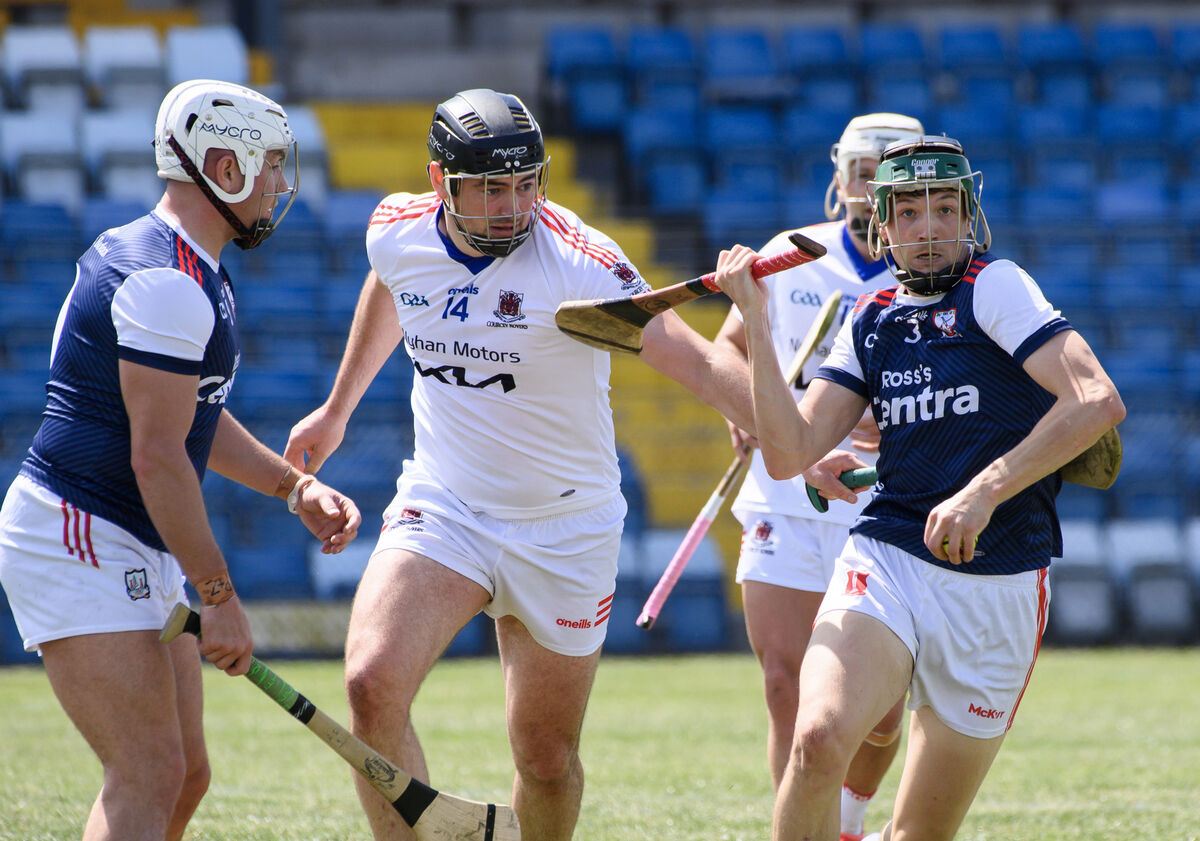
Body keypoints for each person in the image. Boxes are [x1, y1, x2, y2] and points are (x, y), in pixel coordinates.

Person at [283, 88, 757, 841]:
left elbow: (695, 360)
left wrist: (791, 438)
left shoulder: (580, 261)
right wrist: (337, 409)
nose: (514, 207)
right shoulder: (396, 229)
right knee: (371, 685)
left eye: (527, 184)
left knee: (544, 758)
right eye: (491, 189)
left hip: (565, 529)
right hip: (447, 504)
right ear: (441, 182)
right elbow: (392, 283)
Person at [714, 135, 1124, 841]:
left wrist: (984, 490)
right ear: (884, 226)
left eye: (943, 209)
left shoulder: (995, 287)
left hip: (999, 580)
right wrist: (755, 317)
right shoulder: (871, 316)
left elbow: (1095, 400)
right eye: (908, 212)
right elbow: (789, 453)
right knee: (816, 740)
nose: (928, 228)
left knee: (918, 834)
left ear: (969, 216)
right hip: (890, 556)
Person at [0, 79, 362, 841]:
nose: (278, 183)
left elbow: (190, 414)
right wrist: (219, 592)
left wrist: (292, 486)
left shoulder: (183, 263)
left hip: (124, 534)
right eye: (269, 163)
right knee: (147, 771)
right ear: (225, 168)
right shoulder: (168, 283)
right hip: (80, 532)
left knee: (185, 773)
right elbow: (159, 455)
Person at [712, 113, 923, 841]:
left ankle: (848, 818)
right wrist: (745, 412)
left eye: (887, 173)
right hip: (787, 489)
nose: (871, 188)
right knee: (785, 683)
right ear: (840, 178)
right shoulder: (793, 253)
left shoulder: (933, 272)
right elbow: (729, 349)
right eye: (861, 172)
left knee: (882, 710)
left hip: (882, 492)